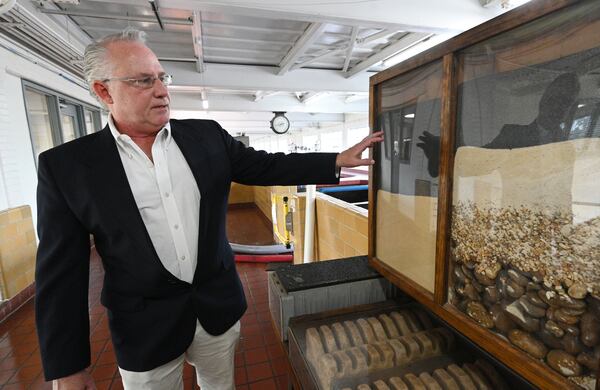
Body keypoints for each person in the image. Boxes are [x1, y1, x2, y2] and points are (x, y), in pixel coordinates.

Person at [35, 28, 383, 390]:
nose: (161, 90)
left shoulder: (206, 137)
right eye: (142, 81)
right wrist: (68, 368)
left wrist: (336, 159)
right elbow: (61, 276)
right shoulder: (68, 167)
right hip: (144, 327)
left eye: (161, 77)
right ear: (104, 90)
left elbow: (267, 165)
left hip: (215, 310)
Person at [416, 72, 581, 177]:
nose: (558, 107)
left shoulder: (567, 148)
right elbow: (476, 164)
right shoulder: (513, 135)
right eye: (555, 99)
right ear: (544, 100)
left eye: (566, 103)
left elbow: (564, 196)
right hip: (513, 223)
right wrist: (443, 151)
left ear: (570, 110)